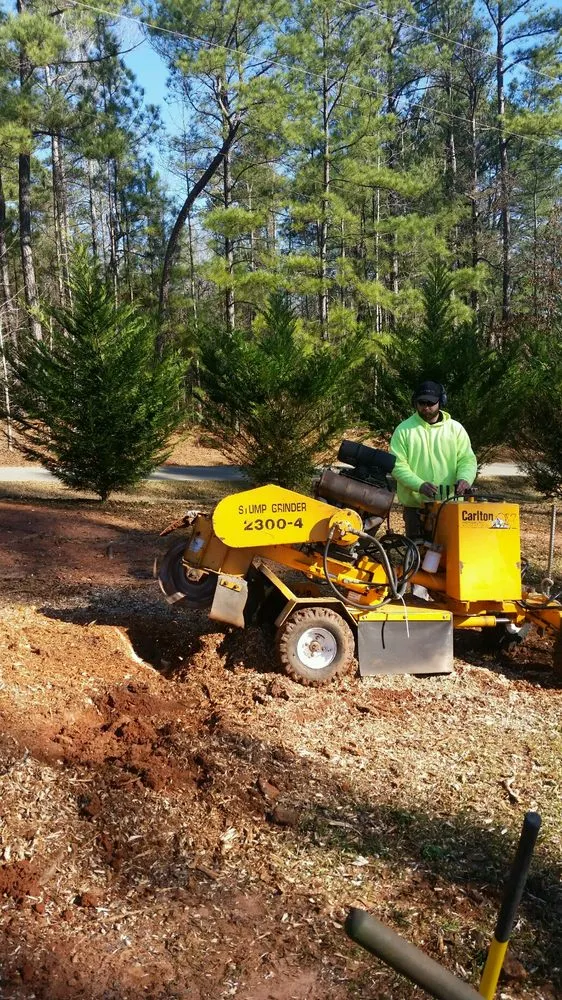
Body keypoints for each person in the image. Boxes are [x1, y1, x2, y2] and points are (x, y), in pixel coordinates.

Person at [389, 379, 477, 539]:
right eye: (421, 403)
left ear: (441, 402)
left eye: (431, 403)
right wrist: (419, 485)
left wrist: (465, 478)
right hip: (415, 507)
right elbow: (397, 465)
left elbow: (467, 459)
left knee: (451, 553)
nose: (426, 407)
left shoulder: (455, 429)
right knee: (417, 553)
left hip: (450, 506)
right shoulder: (404, 430)